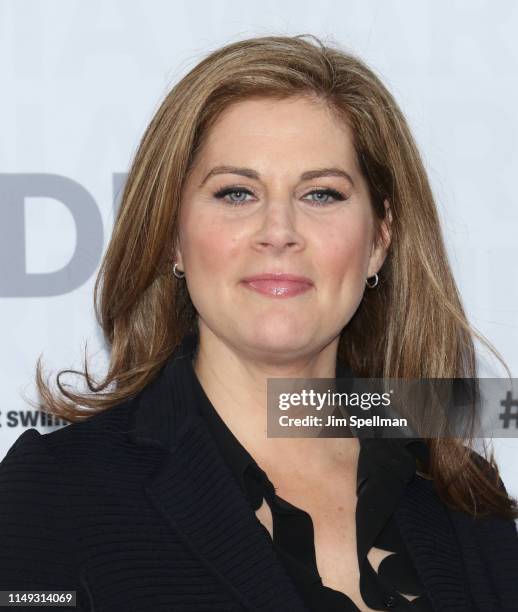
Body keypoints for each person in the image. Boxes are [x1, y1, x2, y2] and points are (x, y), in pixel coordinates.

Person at [1, 34, 517, 612]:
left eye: (322, 194)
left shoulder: (463, 495)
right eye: (237, 193)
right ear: (172, 235)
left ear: (379, 240)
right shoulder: (54, 494)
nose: (279, 230)